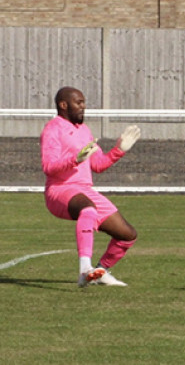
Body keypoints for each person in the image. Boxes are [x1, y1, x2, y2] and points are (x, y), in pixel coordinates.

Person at [40, 87, 141, 287]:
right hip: (60, 190)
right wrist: (75, 159)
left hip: (84, 190)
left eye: (84, 102)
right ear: (63, 105)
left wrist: (118, 150)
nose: (83, 106)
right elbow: (48, 167)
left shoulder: (84, 130)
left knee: (127, 235)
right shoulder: (53, 128)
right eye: (79, 102)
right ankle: (84, 269)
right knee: (88, 210)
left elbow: (98, 165)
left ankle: (101, 271)